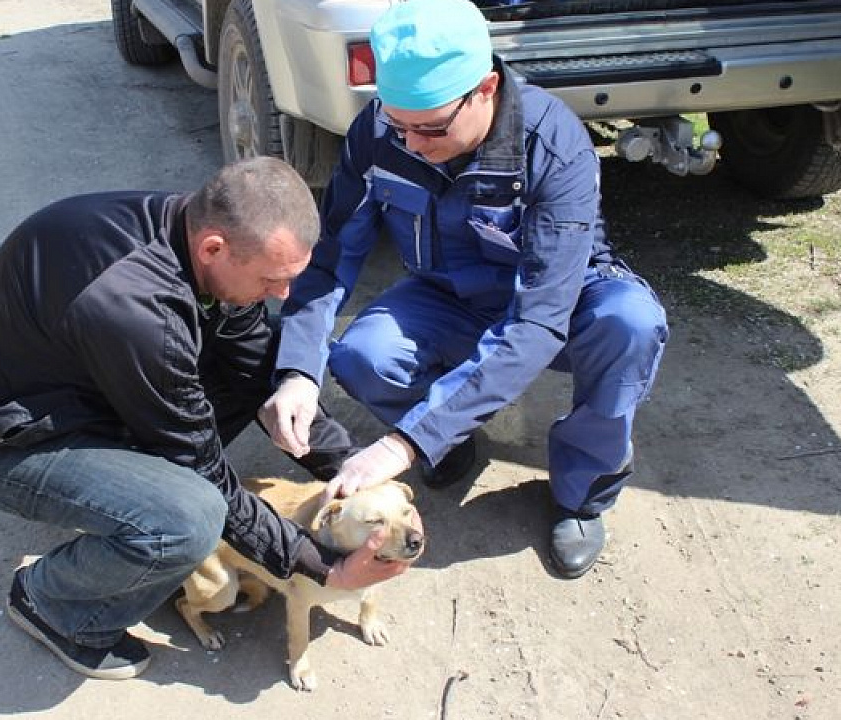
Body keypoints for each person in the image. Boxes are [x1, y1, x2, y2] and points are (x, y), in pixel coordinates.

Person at [0, 157, 414, 681]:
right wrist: (321, 566)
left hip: (88, 391)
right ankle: (52, 604)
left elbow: (253, 361)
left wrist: (350, 471)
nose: (284, 295)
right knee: (192, 517)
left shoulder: (197, 230)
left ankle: (131, 511)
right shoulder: (136, 312)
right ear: (214, 248)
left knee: (252, 376)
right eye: (273, 279)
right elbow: (207, 472)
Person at [259, 0, 668, 579]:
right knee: (363, 355)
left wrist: (401, 445)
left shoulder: (554, 147)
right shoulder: (381, 132)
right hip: (450, 296)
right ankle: (447, 436)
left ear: (486, 88)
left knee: (630, 323)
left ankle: (584, 488)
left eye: (428, 128)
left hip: (560, 304)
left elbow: (536, 320)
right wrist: (297, 369)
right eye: (398, 123)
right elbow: (328, 260)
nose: (411, 143)